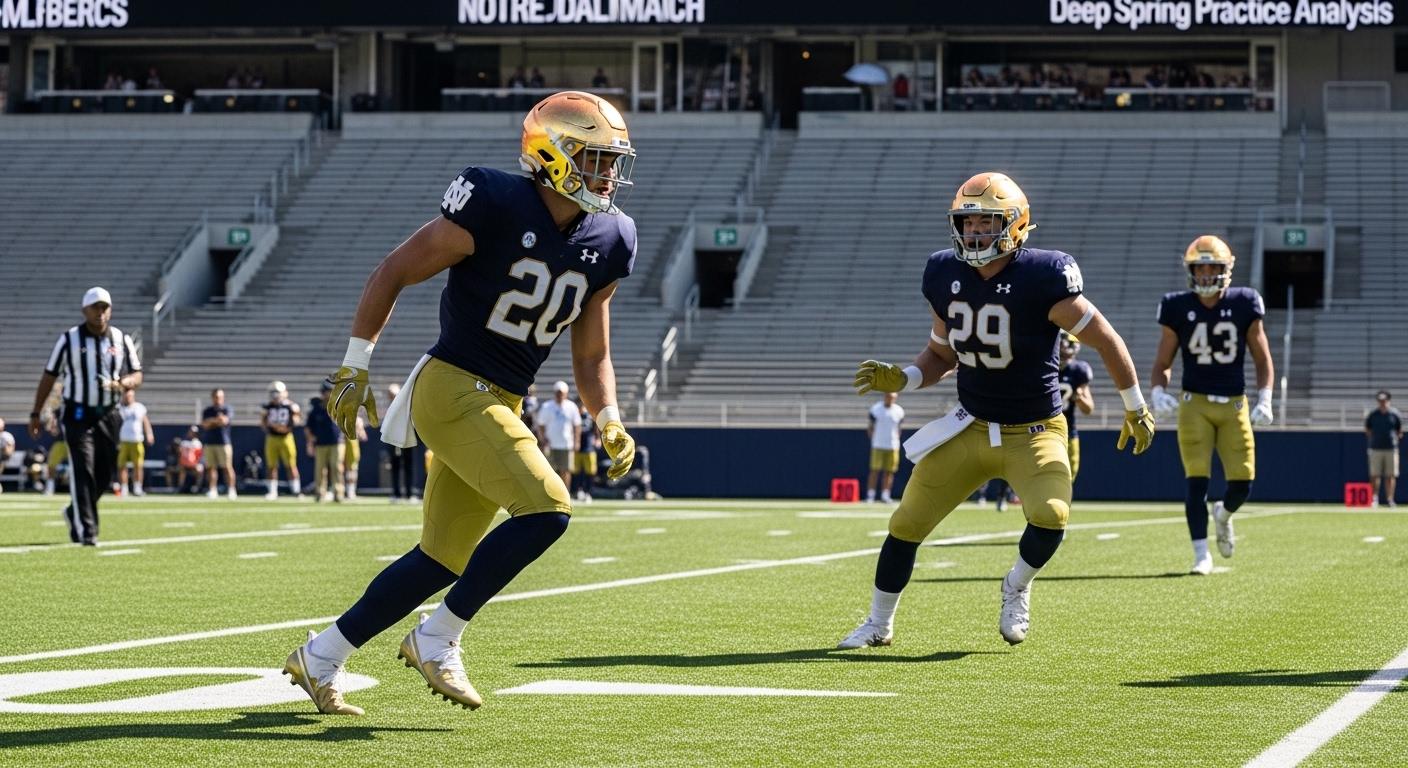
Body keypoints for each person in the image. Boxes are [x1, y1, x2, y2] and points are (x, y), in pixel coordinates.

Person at [285, 90, 639, 714]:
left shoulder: (612, 237)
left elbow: (591, 356)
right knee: (547, 510)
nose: (607, 173)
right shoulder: (495, 200)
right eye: (594, 158)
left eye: (613, 160)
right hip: (453, 386)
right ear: (552, 154)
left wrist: (608, 417)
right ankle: (438, 636)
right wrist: (355, 362)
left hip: (504, 400)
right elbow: (394, 270)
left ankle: (320, 656)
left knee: (440, 558)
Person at [840, 172, 1154, 650]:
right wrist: (905, 378)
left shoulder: (1044, 276)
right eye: (968, 223)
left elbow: (1107, 340)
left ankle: (1017, 585)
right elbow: (941, 355)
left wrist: (1135, 405)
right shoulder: (944, 273)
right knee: (905, 524)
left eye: (987, 223)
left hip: (1035, 430)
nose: (975, 233)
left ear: (1015, 224)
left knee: (1051, 515)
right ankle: (878, 623)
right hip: (971, 425)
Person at [1150, 235, 1274, 575]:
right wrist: (1158, 391)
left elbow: (1262, 357)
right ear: (1190, 271)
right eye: (1199, 269)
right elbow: (1163, 361)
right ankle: (1201, 554)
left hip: (1234, 405)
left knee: (1242, 483)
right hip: (1195, 405)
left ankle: (1223, 514)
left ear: (1226, 269)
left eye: (1212, 268)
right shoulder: (1176, 306)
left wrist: (1265, 397)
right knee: (1196, 482)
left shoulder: (1246, 302)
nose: (1205, 275)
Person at [29, 287, 143, 545]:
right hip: (77, 413)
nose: (100, 312)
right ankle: (87, 531)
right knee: (83, 468)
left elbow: (137, 373)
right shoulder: (69, 339)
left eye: (105, 307)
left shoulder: (121, 339)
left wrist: (124, 383)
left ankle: (74, 512)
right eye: (95, 307)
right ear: (85, 310)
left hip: (109, 414)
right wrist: (36, 412)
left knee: (105, 474)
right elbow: (49, 376)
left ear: (110, 310)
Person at [1058, 332, 1094, 480]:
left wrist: (1079, 398)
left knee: (1069, 475)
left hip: (1068, 430)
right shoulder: (1044, 366)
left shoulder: (1078, 371)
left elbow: (1089, 409)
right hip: (1042, 429)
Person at [536, 381, 581, 494]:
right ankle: (550, 494)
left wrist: (576, 441)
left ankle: (565, 494)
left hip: (566, 444)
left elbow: (577, 425)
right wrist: (542, 439)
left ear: (566, 394)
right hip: (550, 445)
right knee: (549, 471)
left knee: (565, 470)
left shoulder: (571, 406)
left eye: (562, 393)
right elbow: (541, 424)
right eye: (558, 393)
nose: (559, 395)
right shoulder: (547, 406)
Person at [261, 380, 303, 500]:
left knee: (291, 465)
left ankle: (296, 491)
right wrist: (272, 426)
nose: (275, 395)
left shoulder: (291, 406)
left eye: (277, 392)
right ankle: (272, 492)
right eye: (273, 392)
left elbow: (297, 419)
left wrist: (286, 427)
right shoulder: (267, 406)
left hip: (286, 437)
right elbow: (263, 422)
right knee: (271, 466)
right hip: (272, 437)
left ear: (284, 392)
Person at [306, 382, 346, 503]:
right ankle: (320, 493)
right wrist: (310, 443)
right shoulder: (316, 408)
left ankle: (338, 493)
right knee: (320, 469)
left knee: (336, 467)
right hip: (321, 443)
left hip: (337, 442)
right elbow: (309, 428)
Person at [1365, 390, 1402, 507]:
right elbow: (1368, 430)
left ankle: (1390, 499)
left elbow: (1399, 431)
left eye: (1384, 401)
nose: (1382, 403)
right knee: (1375, 474)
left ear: (1388, 401)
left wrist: (1393, 440)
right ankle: (1374, 498)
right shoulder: (1373, 414)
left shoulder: (1394, 414)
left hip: (1391, 448)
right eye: (1380, 401)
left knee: (1390, 475)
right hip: (1376, 448)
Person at [865, 392, 904, 503]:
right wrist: (874, 440)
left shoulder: (899, 411)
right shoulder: (876, 409)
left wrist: (896, 440)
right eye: (888, 397)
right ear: (885, 396)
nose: (890, 399)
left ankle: (885, 495)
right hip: (878, 445)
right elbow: (870, 427)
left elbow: (899, 428)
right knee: (874, 470)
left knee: (889, 471)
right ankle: (871, 495)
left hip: (893, 445)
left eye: (892, 397)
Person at [116, 388, 153, 497]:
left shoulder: (139, 407)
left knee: (138, 465)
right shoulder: (119, 408)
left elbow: (145, 421)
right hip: (123, 440)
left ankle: (137, 488)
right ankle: (124, 488)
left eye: (130, 396)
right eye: (126, 396)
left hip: (136, 440)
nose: (128, 398)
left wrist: (149, 433)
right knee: (122, 465)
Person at [385, 382, 418, 503]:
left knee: (408, 466)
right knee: (395, 467)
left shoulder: (406, 406)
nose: (392, 396)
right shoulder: (390, 408)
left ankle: (409, 494)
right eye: (390, 394)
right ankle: (396, 494)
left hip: (407, 440)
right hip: (394, 442)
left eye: (393, 394)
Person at [202, 388, 237, 499]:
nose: (218, 399)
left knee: (227, 467)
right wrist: (216, 420)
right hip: (210, 442)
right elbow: (205, 424)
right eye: (216, 397)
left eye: (220, 397)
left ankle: (231, 490)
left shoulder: (227, 409)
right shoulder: (207, 410)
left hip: (224, 442)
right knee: (211, 467)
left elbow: (224, 421)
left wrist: (212, 421)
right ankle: (212, 489)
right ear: (212, 397)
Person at [573, 395, 598, 502]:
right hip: (576, 447)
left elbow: (595, 426)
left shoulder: (590, 414)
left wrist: (597, 438)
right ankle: (578, 491)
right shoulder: (574, 414)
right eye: (579, 403)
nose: (580, 405)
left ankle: (588, 492)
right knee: (576, 472)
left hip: (588, 446)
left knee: (590, 471)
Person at [344, 414, 366, 500]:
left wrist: (358, 429)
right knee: (346, 469)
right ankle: (348, 492)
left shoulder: (358, 420)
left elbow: (363, 436)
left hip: (352, 445)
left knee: (352, 469)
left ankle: (350, 492)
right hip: (342, 444)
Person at [177, 425, 204, 493]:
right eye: (191, 432)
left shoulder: (198, 443)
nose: (192, 433)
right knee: (182, 470)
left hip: (194, 464)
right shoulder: (184, 442)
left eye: (194, 432)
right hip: (184, 464)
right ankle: (181, 487)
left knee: (200, 469)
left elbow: (199, 456)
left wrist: (196, 463)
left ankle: (198, 488)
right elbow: (180, 454)